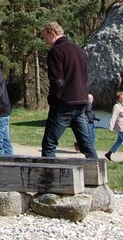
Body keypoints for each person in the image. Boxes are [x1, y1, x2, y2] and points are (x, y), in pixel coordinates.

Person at [39, 21, 96, 159]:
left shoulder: (56, 51)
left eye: (45, 37)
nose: (45, 41)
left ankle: (48, 176)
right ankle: (98, 174)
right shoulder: (80, 51)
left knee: (49, 143)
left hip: (65, 102)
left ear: (52, 33)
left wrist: (53, 100)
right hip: (81, 101)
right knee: (86, 144)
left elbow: (57, 81)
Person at [105, 91, 123, 162]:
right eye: (121, 98)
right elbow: (114, 116)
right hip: (121, 127)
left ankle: (109, 153)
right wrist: (111, 126)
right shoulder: (117, 106)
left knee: (119, 141)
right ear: (118, 98)